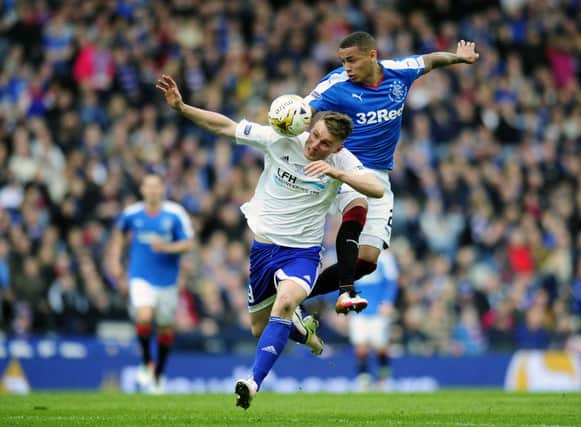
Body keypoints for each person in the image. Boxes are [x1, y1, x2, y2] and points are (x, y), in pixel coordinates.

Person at [155, 74, 384, 409]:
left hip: (302, 254)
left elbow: (376, 189)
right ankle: (304, 333)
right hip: (263, 250)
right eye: (315, 136)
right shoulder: (282, 138)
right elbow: (225, 127)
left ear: (337, 148)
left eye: (324, 144)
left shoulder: (341, 162)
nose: (314, 145)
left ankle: (252, 383)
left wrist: (338, 173)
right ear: (311, 125)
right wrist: (182, 106)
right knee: (258, 328)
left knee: (286, 302)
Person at [304, 31, 479, 312]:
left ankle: (301, 296)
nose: (346, 67)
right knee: (356, 207)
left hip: (379, 175)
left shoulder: (399, 73)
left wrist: (458, 58)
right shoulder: (336, 84)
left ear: (372, 56)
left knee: (368, 262)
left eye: (352, 60)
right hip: (345, 164)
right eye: (343, 61)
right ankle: (346, 292)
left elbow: (430, 61)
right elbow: (303, 108)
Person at [108, 173, 195, 394]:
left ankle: (159, 374)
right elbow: (118, 234)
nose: (153, 190)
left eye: (157, 186)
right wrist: (116, 260)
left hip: (167, 280)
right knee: (144, 316)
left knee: (165, 327)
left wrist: (166, 248)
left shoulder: (175, 214)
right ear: (142, 190)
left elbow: (188, 244)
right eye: (149, 186)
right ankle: (147, 362)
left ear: (162, 189)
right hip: (140, 275)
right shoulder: (132, 213)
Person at [348, 250, 398, 391]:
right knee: (360, 346)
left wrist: (388, 302)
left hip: (378, 308)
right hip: (358, 308)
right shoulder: (353, 254)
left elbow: (391, 282)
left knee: (381, 346)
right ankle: (363, 379)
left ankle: (384, 378)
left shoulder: (385, 257)